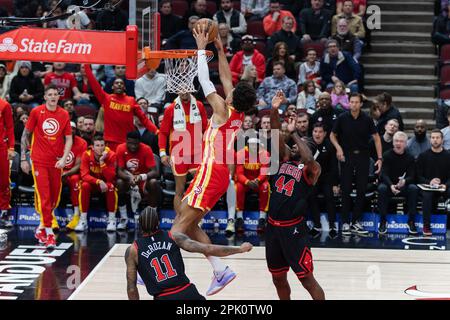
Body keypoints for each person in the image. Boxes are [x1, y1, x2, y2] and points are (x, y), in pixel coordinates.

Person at [171, 25, 257, 296]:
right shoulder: (236, 112)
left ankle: (158, 270)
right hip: (215, 174)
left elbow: (206, 81)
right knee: (186, 216)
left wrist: (200, 49)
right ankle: (220, 270)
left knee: (177, 231)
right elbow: (224, 75)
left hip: (211, 173)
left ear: (232, 98)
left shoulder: (222, 109)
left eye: (231, 89)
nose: (227, 87)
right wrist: (219, 47)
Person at [266, 90, 325, 300]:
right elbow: (274, 134)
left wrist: (293, 134)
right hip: (273, 228)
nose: (293, 146)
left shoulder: (311, 169)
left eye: (300, 144)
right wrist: (274, 109)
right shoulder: (281, 161)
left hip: (294, 232)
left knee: (307, 279)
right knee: (278, 279)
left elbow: (309, 159)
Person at [125, 207, 253, 300]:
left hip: (162, 297)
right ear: (158, 223)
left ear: (140, 225)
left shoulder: (133, 250)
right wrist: (239, 249)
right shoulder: (173, 236)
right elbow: (208, 248)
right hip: (188, 293)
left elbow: (131, 288)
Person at [21, 84, 73, 247]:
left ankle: (41, 227)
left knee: (53, 199)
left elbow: (69, 139)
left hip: (56, 162)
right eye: (49, 94)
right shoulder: (37, 112)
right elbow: (26, 134)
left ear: (59, 97)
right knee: (44, 196)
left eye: (55, 94)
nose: (52, 97)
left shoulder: (64, 114)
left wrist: (64, 158)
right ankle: (50, 234)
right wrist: (24, 158)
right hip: (39, 160)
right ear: (45, 97)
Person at [330, 93, 382, 235]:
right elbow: (332, 135)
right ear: (349, 103)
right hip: (346, 155)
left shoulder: (367, 119)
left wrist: (379, 158)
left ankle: (356, 222)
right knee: (345, 190)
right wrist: (338, 148)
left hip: (363, 156)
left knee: (361, 190)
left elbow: (377, 138)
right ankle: (346, 223)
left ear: (360, 104)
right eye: (351, 102)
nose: (353, 104)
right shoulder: (342, 118)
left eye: (356, 102)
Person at [84, 64, 158, 151]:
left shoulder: (131, 100)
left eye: (121, 83)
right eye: (116, 83)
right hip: (111, 142)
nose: (119, 84)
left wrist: (156, 130)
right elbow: (93, 82)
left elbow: (143, 119)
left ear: (124, 87)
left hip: (127, 142)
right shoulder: (106, 98)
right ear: (112, 87)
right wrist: (86, 65)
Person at [159, 93, 208, 216]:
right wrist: (162, 153)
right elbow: (163, 132)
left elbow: (205, 129)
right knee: (179, 190)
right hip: (179, 154)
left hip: (197, 154)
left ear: (191, 89)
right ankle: (180, 220)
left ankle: (196, 219)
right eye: (181, 90)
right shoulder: (171, 109)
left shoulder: (199, 106)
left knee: (198, 189)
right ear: (177, 91)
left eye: (186, 89)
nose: (184, 92)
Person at [116, 131, 161, 230]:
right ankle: (123, 219)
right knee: (119, 183)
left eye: (135, 144)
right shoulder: (120, 148)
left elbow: (155, 172)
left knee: (153, 182)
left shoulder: (146, 149)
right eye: (130, 143)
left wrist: (141, 177)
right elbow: (119, 171)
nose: (133, 146)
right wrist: (129, 178)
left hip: (142, 180)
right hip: (129, 179)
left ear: (139, 142)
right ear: (126, 141)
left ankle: (152, 218)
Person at [377, 131, 418, 235]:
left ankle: (411, 221)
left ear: (405, 143)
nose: (398, 143)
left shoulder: (410, 157)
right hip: (389, 185)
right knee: (381, 188)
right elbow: (384, 174)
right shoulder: (386, 155)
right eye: (396, 141)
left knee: (413, 188)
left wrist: (404, 181)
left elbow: (412, 176)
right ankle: (383, 221)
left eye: (401, 141)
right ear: (393, 142)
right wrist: (391, 185)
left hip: (403, 186)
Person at [75, 134, 118, 232]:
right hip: (93, 184)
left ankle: (112, 220)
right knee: (84, 185)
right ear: (93, 147)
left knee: (111, 186)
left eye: (102, 145)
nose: (100, 148)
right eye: (97, 145)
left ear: (105, 145)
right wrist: (98, 181)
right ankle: (83, 220)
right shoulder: (86, 155)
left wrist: (102, 162)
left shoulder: (111, 155)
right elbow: (84, 175)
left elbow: (111, 177)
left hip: (106, 184)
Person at [416, 129, 450, 236]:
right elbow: (418, 176)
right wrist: (429, 182)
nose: (435, 140)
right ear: (430, 139)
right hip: (428, 187)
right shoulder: (423, 156)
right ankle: (426, 226)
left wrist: (446, 185)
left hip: (444, 187)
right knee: (427, 195)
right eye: (433, 138)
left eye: (437, 138)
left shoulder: (448, 155)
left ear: (442, 140)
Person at [308, 122, 339, 238]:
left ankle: (332, 226)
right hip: (312, 178)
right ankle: (317, 226)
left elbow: (334, 166)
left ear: (325, 134)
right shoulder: (308, 145)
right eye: (315, 131)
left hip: (326, 177)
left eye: (320, 132)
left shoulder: (330, 145)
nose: (317, 134)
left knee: (329, 196)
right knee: (311, 196)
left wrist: (335, 184)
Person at [234, 138, 271, 233]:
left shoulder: (264, 154)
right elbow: (239, 173)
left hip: (258, 181)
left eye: (255, 144)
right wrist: (247, 182)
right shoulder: (241, 154)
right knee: (238, 187)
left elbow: (264, 172)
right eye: (251, 145)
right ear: (247, 145)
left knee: (266, 187)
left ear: (259, 145)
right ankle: (239, 218)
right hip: (245, 181)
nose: (253, 147)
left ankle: (262, 218)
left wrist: (257, 180)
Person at [64, 122, 88, 230]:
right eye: (69, 128)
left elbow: (79, 165)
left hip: (73, 172)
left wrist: (66, 173)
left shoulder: (81, 142)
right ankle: (51, 216)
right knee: (50, 180)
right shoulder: (56, 141)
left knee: (75, 180)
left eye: (73, 128)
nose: (71, 130)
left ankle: (76, 215)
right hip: (59, 171)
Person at [0, 98, 15, 227]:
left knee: (4, 180)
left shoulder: (4, 105)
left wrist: (11, 147)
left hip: (1, 147)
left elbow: (10, 127)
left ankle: (4, 212)